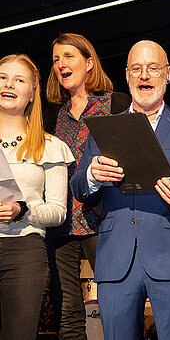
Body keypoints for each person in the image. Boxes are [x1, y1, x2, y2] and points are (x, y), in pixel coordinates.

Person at [70, 40, 170, 340]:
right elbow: (79, 187)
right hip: (115, 263)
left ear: (168, 74)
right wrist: (92, 176)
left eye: (153, 68)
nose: (144, 75)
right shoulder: (104, 129)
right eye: (137, 69)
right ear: (127, 75)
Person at [44, 32, 130, 339]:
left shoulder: (117, 104)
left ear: (89, 63)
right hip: (62, 226)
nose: (60, 64)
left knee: (114, 305)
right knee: (68, 311)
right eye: (55, 59)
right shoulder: (51, 114)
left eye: (68, 56)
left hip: (105, 220)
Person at [0, 54, 74, 340]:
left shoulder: (50, 146)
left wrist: (24, 210)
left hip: (24, 254)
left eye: (19, 80)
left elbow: (58, 211)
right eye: (3, 78)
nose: (9, 84)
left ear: (32, 93)